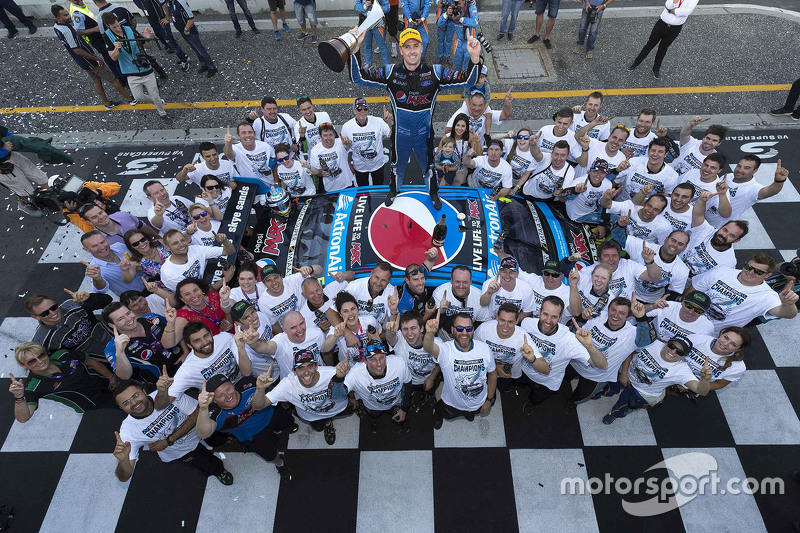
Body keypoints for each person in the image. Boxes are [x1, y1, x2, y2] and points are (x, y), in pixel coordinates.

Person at [349, 27, 482, 208]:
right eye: (407, 46)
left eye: (416, 46)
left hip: (424, 134)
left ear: (421, 48)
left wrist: (474, 59)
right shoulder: (390, 72)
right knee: (396, 167)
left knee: (429, 167)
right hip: (400, 135)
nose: (412, 51)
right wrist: (355, 50)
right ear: (401, 50)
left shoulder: (435, 72)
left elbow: (468, 80)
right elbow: (359, 78)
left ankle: (433, 193)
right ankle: (394, 191)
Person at [113, 379, 234, 485]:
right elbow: (124, 477)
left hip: (198, 428)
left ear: (144, 391)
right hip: (182, 451)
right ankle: (219, 471)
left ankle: (223, 440)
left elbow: (197, 412)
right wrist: (123, 461)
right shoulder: (128, 432)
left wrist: (169, 441)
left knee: (215, 437)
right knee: (205, 463)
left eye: (135, 395)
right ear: (121, 408)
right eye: (126, 403)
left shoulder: (168, 394)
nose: (134, 403)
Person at [197, 373, 295, 481]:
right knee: (270, 455)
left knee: (288, 422)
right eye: (220, 395)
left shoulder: (248, 384)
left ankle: (278, 431)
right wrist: (203, 408)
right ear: (214, 400)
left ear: (233, 385)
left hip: (272, 414)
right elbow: (204, 434)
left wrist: (282, 401)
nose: (228, 395)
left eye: (228, 389)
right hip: (253, 436)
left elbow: (270, 390)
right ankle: (280, 464)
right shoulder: (213, 413)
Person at [596, 336, 711, 423]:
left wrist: (704, 380)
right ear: (666, 343)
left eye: (680, 352)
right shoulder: (654, 344)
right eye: (672, 346)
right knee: (610, 387)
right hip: (626, 374)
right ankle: (604, 393)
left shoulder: (682, 370)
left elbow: (701, 391)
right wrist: (624, 372)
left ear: (684, 356)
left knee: (624, 404)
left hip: (641, 393)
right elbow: (630, 349)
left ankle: (615, 414)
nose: (673, 351)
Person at [519, 298, 605, 414]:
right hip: (524, 370)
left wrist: (590, 346)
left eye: (554, 317)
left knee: (536, 397)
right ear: (539, 312)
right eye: (545, 314)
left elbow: (602, 365)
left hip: (546, 381)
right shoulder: (527, 323)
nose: (548, 320)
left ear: (560, 318)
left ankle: (533, 403)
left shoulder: (568, 340)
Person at [689, 253, 798, 334]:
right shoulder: (723, 272)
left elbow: (786, 313)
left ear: (767, 275)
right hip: (686, 316)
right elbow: (693, 288)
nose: (750, 272)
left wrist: (788, 305)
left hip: (708, 334)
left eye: (758, 272)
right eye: (749, 267)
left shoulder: (767, 296)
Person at [9, 342, 117, 423]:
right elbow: (23, 418)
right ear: (24, 365)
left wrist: (112, 378)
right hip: (97, 407)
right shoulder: (34, 385)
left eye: (41, 355)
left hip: (110, 387)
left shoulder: (63, 354)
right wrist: (19, 396)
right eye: (32, 361)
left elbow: (93, 362)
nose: (40, 361)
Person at [423, 312, 497, 428]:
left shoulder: (485, 349)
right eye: (459, 329)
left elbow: (492, 375)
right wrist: (429, 333)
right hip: (451, 403)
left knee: (471, 414)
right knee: (444, 412)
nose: (464, 333)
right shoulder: (446, 350)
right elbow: (429, 347)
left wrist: (489, 400)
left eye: (468, 329)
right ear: (452, 330)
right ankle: (438, 415)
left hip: (479, 402)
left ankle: (468, 413)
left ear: (473, 330)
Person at [52, 5, 133, 110]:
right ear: (59, 18)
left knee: (96, 80)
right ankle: (130, 98)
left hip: (82, 62)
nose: (69, 16)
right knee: (112, 79)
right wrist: (96, 59)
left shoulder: (57, 27)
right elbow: (77, 50)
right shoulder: (67, 31)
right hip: (89, 60)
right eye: (66, 15)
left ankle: (107, 103)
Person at [261, 351, 351, 445]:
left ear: (316, 366)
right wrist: (260, 389)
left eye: (310, 366)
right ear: (294, 371)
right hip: (314, 416)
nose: (306, 372)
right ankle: (327, 425)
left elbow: (352, 385)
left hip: (338, 408)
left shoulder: (333, 373)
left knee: (342, 413)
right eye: (301, 368)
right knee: (320, 425)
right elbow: (258, 406)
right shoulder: (288, 385)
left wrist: (351, 395)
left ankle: (328, 423)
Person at [156, 322, 250, 409]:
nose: (205, 342)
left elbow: (247, 371)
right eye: (197, 341)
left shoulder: (225, 338)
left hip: (247, 382)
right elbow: (160, 406)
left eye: (206, 336)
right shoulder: (187, 371)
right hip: (222, 402)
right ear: (189, 345)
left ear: (211, 333)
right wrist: (162, 391)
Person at [565, 296, 639, 408]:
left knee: (580, 395)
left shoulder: (632, 333)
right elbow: (574, 332)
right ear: (608, 309)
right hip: (576, 362)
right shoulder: (596, 316)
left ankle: (572, 403)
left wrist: (624, 371)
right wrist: (583, 318)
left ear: (628, 317)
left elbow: (630, 350)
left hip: (597, 376)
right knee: (562, 378)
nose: (615, 315)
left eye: (621, 313)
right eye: (613, 310)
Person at [102, 13, 172, 124]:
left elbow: (148, 46)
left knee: (155, 95)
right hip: (130, 72)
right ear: (107, 25)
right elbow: (113, 58)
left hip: (145, 68)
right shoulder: (106, 36)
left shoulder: (129, 29)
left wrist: (147, 39)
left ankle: (162, 113)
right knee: (138, 97)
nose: (117, 28)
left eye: (118, 25)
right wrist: (116, 49)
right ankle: (158, 101)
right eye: (114, 27)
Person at [343, 342, 412, 433]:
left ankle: (403, 422)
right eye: (373, 360)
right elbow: (338, 394)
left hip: (396, 403)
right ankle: (374, 421)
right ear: (365, 360)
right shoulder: (356, 373)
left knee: (401, 417)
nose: (379, 364)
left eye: (381, 358)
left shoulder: (399, 364)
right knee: (374, 416)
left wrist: (404, 409)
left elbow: (408, 384)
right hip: (373, 407)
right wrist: (338, 378)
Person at [475, 303, 546, 392]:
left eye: (510, 322)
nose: (505, 326)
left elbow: (545, 370)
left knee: (502, 387)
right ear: (497, 317)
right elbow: (473, 352)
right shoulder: (484, 329)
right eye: (502, 320)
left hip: (506, 374)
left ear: (516, 321)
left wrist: (533, 359)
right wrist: (495, 368)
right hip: (484, 368)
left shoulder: (523, 338)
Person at [103, 300, 180, 382]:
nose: (129, 319)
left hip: (185, 359)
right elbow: (125, 376)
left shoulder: (152, 318)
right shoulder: (113, 347)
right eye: (121, 319)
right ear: (112, 325)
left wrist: (185, 352)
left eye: (128, 313)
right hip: (164, 381)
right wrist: (120, 352)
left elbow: (177, 331)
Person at [705, 156, 790, 228]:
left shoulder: (753, 188)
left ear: (755, 171)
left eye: (747, 168)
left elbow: (770, 191)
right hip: (702, 219)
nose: (740, 170)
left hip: (718, 228)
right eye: (739, 166)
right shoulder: (728, 176)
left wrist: (778, 181)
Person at [27, 291, 113, 358]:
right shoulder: (42, 340)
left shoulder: (72, 305)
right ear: (36, 317)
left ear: (54, 302)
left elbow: (108, 301)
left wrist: (90, 298)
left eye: (53, 307)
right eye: (45, 313)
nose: (52, 313)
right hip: (105, 361)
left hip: (118, 337)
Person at [244, 310, 331, 377]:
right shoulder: (280, 341)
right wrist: (254, 343)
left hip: (319, 378)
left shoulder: (316, 333)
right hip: (295, 389)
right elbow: (265, 347)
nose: (299, 330)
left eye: (301, 324)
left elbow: (326, 351)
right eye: (293, 327)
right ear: (284, 330)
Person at [627, 0, 699, 79]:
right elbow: (668, 5)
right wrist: (675, 4)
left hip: (675, 28)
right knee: (649, 45)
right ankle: (635, 63)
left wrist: (672, 11)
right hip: (661, 24)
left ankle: (656, 69)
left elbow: (686, 12)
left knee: (663, 48)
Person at [385, 310, 440, 410]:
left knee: (429, 390)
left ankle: (430, 394)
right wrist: (389, 332)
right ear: (400, 331)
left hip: (427, 378)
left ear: (422, 328)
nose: (409, 333)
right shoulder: (399, 338)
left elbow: (440, 362)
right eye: (405, 329)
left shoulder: (435, 342)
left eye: (413, 328)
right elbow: (390, 339)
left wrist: (431, 378)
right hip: (407, 381)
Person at [681, 194, 747, 276]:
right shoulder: (706, 230)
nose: (724, 235)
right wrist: (702, 201)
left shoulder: (729, 262)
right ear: (721, 227)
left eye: (731, 236)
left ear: (737, 240)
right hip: (675, 264)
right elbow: (697, 215)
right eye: (725, 230)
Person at [576, 239, 661, 301]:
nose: (611, 259)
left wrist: (650, 261)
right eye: (606, 256)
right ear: (599, 259)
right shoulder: (588, 272)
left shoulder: (629, 265)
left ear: (619, 257)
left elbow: (655, 278)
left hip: (627, 317)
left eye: (614, 255)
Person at [158, 229, 234, 292]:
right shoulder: (169, 273)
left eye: (182, 240)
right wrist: (225, 279)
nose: (181, 245)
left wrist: (225, 242)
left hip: (209, 284)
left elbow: (229, 251)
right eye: (175, 243)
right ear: (167, 248)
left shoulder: (194, 249)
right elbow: (198, 294)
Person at [624, 231, 690, 303]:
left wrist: (660, 304)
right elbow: (618, 237)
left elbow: (674, 293)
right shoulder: (644, 246)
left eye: (680, 244)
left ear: (684, 248)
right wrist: (620, 225)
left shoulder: (683, 270)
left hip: (652, 301)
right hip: (627, 292)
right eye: (673, 240)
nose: (675, 245)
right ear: (666, 239)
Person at [340, 97, 391, 186]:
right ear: (354, 111)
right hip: (360, 168)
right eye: (359, 109)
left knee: (378, 193)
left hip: (377, 166)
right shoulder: (347, 126)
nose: (362, 111)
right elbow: (346, 150)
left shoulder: (378, 121)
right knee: (363, 194)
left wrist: (390, 123)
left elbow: (390, 134)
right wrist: (349, 165)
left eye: (365, 109)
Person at [168, 278, 233, 348]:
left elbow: (232, 311)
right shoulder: (183, 315)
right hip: (214, 346)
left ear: (201, 289)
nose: (193, 295)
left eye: (195, 290)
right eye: (187, 294)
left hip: (234, 333)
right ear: (182, 299)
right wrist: (170, 324)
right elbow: (169, 344)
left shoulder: (213, 296)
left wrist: (225, 302)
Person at [82, 231, 148, 295]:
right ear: (86, 249)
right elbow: (100, 291)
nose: (102, 247)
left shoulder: (119, 246)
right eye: (94, 246)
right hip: (139, 297)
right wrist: (97, 279)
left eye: (102, 242)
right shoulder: (93, 269)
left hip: (154, 280)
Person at [612, 137, 679, 201]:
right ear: (648, 151)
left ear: (666, 154)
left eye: (660, 152)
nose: (655, 154)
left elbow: (667, 199)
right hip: (622, 205)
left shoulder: (672, 175)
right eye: (653, 150)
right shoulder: (633, 162)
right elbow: (614, 182)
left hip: (646, 210)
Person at [685, 327, 751, 392]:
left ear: (739, 349)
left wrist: (691, 386)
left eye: (733, 344)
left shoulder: (738, 367)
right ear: (721, 334)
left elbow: (719, 384)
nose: (725, 344)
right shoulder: (697, 339)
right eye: (726, 337)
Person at [600, 189, 672, 245]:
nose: (650, 210)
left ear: (660, 212)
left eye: (656, 209)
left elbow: (661, 246)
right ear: (644, 203)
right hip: (621, 237)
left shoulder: (664, 227)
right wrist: (606, 198)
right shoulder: (630, 206)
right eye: (649, 206)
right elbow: (606, 205)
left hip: (640, 249)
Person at [638, 290, 714, 343]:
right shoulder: (668, 306)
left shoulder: (707, 327)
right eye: (688, 306)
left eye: (698, 310)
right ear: (683, 302)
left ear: (703, 313)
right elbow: (637, 312)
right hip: (647, 342)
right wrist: (653, 306)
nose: (691, 311)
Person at [331, 291, 384, 365]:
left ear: (358, 308)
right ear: (340, 314)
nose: (350, 314)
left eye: (353, 309)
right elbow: (325, 349)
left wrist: (378, 340)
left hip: (372, 367)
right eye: (345, 311)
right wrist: (335, 336)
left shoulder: (370, 321)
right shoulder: (338, 328)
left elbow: (382, 336)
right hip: (349, 371)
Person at [229, 301, 279, 378]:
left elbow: (275, 331)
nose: (253, 318)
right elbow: (246, 372)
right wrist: (241, 347)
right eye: (246, 317)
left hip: (282, 360)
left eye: (252, 312)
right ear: (238, 323)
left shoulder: (261, 316)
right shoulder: (237, 342)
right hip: (270, 377)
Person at [432, 266, 489, 332]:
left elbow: (482, 326)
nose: (461, 286)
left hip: (469, 334)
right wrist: (441, 311)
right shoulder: (439, 293)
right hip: (445, 333)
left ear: (470, 281)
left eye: (465, 282)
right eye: (457, 282)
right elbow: (433, 326)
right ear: (451, 280)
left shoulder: (480, 297)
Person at [0, 140, 49, 216]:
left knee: (40, 177)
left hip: (13, 155)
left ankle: (48, 198)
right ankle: (24, 205)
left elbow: (7, 134)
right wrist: (4, 150)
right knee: (24, 190)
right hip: (4, 169)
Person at [480, 256, 536, 321]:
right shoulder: (489, 284)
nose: (507, 276)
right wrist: (489, 293)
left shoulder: (526, 288)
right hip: (492, 322)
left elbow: (528, 311)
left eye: (511, 272)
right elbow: (483, 304)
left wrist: (514, 321)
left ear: (517, 273)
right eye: (504, 272)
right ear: (499, 272)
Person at [136, 0, 189, 67]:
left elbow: (165, 4)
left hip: (161, 21)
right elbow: (139, 4)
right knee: (160, 36)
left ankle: (184, 60)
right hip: (153, 21)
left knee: (170, 41)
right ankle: (181, 54)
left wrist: (167, 18)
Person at [144, 180, 209, 234]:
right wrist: (158, 215)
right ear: (150, 198)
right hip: (185, 239)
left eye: (162, 190)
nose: (162, 194)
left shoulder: (177, 198)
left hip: (201, 228)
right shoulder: (152, 212)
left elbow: (198, 209)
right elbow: (157, 223)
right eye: (156, 193)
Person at [307, 123, 357, 193]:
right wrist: (321, 173)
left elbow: (348, 145)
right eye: (325, 135)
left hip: (347, 185)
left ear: (334, 134)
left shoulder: (340, 142)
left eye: (330, 135)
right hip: (330, 189)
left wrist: (347, 142)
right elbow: (317, 171)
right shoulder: (315, 150)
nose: (328, 138)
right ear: (320, 136)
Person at [79, 204, 157, 246]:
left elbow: (142, 227)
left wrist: (159, 238)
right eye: (94, 217)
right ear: (89, 222)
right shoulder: (97, 239)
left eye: (100, 213)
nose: (101, 217)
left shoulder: (123, 215)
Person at [356, 0, 390, 66]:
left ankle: (387, 67)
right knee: (367, 46)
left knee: (382, 46)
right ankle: (368, 65)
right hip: (365, 24)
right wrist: (364, 6)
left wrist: (375, 6)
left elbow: (387, 7)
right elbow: (356, 6)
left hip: (377, 24)